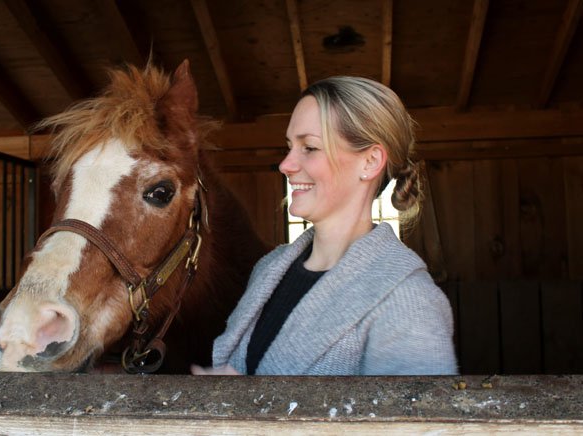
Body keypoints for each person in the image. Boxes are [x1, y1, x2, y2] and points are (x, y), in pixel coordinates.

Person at [191, 76, 458, 376]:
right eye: (290, 146)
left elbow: (414, 423)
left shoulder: (410, 301)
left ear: (370, 162)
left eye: (310, 148)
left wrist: (247, 405)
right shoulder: (268, 269)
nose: (286, 164)